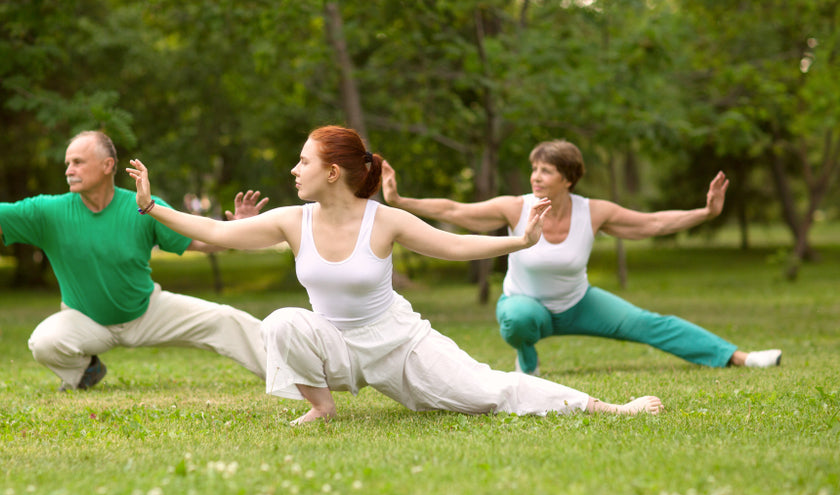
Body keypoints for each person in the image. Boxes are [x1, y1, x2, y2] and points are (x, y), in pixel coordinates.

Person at [127, 126, 663, 423]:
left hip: (399, 344)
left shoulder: (384, 220)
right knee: (282, 322)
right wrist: (152, 207)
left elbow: (452, 245)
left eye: (303, 162)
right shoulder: (292, 221)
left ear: (332, 172)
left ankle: (607, 407)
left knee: (488, 393)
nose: (294, 170)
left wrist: (519, 240)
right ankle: (322, 408)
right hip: (335, 344)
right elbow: (216, 234)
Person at [382, 139, 782, 375]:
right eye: (534, 169)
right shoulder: (514, 207)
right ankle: (527, 360)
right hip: (527, 306)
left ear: (568, 178)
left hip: (579, 303)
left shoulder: (594, 212)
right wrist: (400, 200)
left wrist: (707, 213)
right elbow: (455, 210)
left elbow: (653, 224)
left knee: (651, 324)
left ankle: (741, 358)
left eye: (546, 171)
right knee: (521, 319)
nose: (536, 176)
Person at [0, 131, 269, 391]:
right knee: (44, 342)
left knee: (225, 318)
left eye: (78, 162)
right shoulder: (49, 211)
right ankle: (86, 371)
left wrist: (239, 229)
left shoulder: (142, 205)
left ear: (107, 165)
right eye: (67, 162)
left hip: (147, 311)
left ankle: (288, 373)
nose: (69, 169)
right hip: (85, 320)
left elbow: (200, 241)